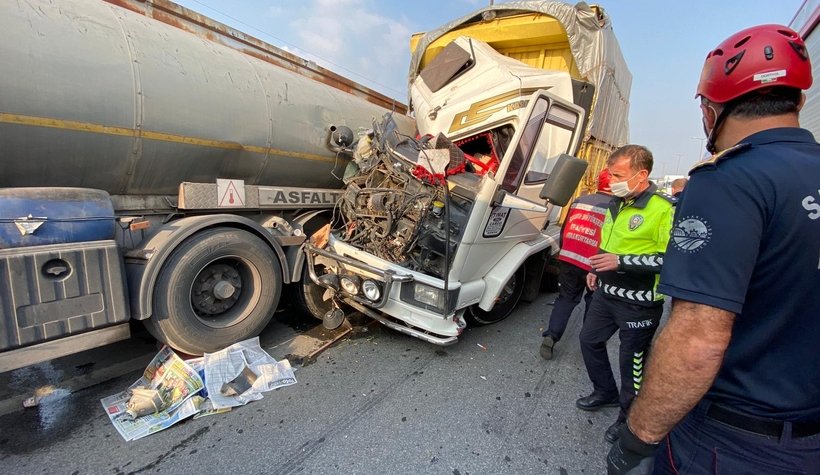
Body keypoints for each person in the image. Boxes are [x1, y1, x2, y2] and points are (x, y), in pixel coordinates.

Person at [607, 24, 820, 474]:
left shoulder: (728, 181)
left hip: (733, 441)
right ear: (800, 100)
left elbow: (698, 337)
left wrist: (636, 437)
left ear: (710, 110)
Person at [576, 145, 674, 444]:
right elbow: (609, 241)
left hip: (639, 304)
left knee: (631, 364)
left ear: (641, 175)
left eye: (618, 175)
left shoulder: (664, 208)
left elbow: (671, 259)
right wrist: (597, 269)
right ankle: (605, 392)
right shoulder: (617, 203)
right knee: (589, 340)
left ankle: (628, 419)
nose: (612, 181)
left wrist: (622, 262)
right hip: (606, 295)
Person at [540, 169, 612, 360]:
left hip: (570, 257)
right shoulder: (617, 207)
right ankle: (589, 343)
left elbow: (566, 228)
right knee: (594, 302)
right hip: (595, 264)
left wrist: (563, 252)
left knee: (566, 299)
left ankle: (551, 336)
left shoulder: (580, 200)